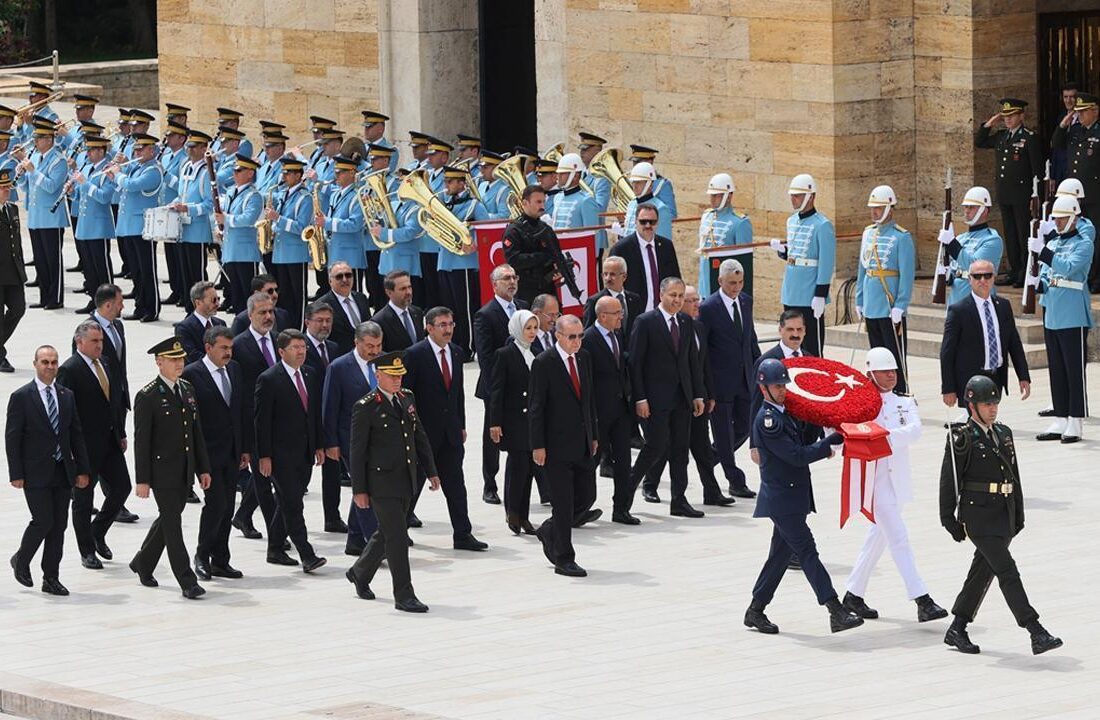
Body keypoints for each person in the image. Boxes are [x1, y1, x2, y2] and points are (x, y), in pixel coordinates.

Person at [939, 375, 1062, 655]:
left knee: (982, 572)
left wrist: (1018, 514)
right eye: (987, 404)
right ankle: (1035, 631)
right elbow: (949, 481)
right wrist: (948, 519)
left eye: (995, 402)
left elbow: (1014, 476)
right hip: (978, 517)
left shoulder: (1004, 433)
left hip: (1002, 515)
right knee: (1007, 571)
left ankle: (957, 628)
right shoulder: (962, 438)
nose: (993, 408)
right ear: (972, 406)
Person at [743, 358, 860, 635]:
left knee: (779, 557)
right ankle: (835, 609)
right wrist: (827, 443)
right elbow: (795, 456)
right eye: (776, 385)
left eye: (784, 384)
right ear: (763, 388)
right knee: (807, 551)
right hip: (783, 501)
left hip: (791, 498)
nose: (782, 389)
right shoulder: (768, 420)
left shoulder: (783, 413)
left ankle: (755, 610)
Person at [843, 347, 948, 623]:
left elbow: (914, 430)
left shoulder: (904, 402)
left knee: (878, 537)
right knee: (899, 537)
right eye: (884, 371)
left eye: (893, 371)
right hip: (874, 481)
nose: (891, 376)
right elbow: (848, 431)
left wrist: (880, 438)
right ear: (870, 373)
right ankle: (921, 598)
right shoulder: (861, 403)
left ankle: (853, 593)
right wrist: (880, 438)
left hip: (897, 480)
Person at [346, 351, 439, 613]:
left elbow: (419, 435)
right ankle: (404, 594)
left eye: (399, 376)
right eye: (391, 376)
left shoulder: (406, 398)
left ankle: (360, 572)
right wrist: (360, 490)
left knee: (387, 531)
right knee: (397, 537)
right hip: (381, 482)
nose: (397, 381)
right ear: (378, 376)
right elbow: (357, 452)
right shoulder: (366, 406)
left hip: (406, 478)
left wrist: (431, 471)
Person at [129, 338, 211, 599]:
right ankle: (187, 581)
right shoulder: (148, 395)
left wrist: (202, 469)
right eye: (173, 360)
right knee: (174, 526)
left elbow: (195, 433)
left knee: (168, 520)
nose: (179, 364)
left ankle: (143, 562)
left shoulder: (187, 388)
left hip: (184, 470)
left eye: (181, 359)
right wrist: (142, 480)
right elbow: (141, 442)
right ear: (159, 362)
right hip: (162, 472)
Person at [6, 345, 91, 595]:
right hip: (34, 472)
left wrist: (82, 469)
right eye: (45, 362)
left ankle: (51, 577)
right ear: (35, 364)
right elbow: (12, 437)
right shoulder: (21, 396)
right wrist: (16, 473)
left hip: (62, 470)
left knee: (59, 526)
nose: (50, 367)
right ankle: (22, 559)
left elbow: (76, 435)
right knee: (42, 521)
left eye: (54, 362)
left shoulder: (66, 395)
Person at [641, 285, 735, 508]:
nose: (696, 305)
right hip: (675, 398)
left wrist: (708, 394)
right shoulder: (665, 326)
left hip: (697, 399)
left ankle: (711, 491)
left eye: (696, 300)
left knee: (701, 447)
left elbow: (702, 366)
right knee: (666, 445)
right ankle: (650, 484)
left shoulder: (698, 328)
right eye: (690, 300)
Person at [402, 307, 487, 551]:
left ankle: (463, 534)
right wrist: (411, 431)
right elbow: (407, 396)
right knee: (413, 485)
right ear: (429, 328)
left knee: (456, 485)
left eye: (450, 324)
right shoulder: (415, 354)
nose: (448, 329)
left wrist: (460, 425)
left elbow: (457, 394)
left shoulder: (457, 352)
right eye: (442, 324)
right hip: (423, 434)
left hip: (450, 434)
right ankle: (399, 528)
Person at [628, 277, 706, 518]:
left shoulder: (685, 321)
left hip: (682, 398)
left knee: (681, 450)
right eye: (673, 295)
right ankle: (626, 491)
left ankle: (678, 500)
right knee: (655, 447)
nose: (677, 300)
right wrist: (640, 398)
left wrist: (697, 394)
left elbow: (692, 361)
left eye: (681, 296)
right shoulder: (646, 322)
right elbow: (635, 363)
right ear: (661, 294)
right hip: (655, 399)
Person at [530, 314, 599, 577]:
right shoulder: (544, 363)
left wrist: (593, 434)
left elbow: (589, 399)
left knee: (586, 496)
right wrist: (538, 445)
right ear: (558, 336)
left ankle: (550, 529)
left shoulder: (584, 358)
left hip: (581, 442)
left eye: (580, 336)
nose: (577, 342)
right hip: (555, 445)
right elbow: (537, 407)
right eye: (572, 337)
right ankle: (564, 558)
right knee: (562, 502)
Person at [57, 321, 130, 571]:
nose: (100, 346)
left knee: (122, 487)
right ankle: (86, 550)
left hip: (109, 441)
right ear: (80, 342)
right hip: (84, 447)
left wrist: (120, 432)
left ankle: (97, 531)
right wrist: (69, 451)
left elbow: (114, 402)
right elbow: (65, 414)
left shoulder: (106, 363)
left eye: (101, 341)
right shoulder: (70, 369)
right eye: (95, 342)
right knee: (83, 500)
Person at [254, 329, 327, 572]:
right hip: (280, 454)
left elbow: (314, 414)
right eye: (295, 348)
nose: (301, 352)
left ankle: (275, 548)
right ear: (281, 352)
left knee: (288, 501)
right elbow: (261, 422)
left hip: (304, 451)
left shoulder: (310, 373)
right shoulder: (269, 379)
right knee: (293, 503)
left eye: (303, 347)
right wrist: (264, 455)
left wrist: (318, 444)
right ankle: (307, 553)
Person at [181, 326, 248, 581]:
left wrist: (245, 449)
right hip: (208, 454)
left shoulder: (234, 369)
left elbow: (241, 410)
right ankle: (202, 555)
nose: (228, 353)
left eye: (230, 348)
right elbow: (191, 422)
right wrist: (197, 462)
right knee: (216, 505)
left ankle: (221, 559)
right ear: (208, 348)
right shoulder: (192, 375)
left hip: (232, 452)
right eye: (223, 348)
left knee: (228, 506)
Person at [1030, 194, 1093, 443]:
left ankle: (1076, 420)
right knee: (1056, 368)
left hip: (1072, 312)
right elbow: (1048, 273)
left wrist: (1043, 252)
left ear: (1074, 218)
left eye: (1062, 218)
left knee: (1073, 369)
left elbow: (1069, 268)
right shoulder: (1054, 243)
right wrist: (1039, 283)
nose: (1057, 223)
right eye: (1056, 219)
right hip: (1053, 311)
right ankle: (1061, 416)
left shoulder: (1083, 242)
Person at [699, 259, 760, 499]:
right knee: (723, 433)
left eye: (740, 282)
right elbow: (703, 349)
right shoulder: (709, 308)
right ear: (720, 281)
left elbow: (750, 338)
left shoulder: (745, 302)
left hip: (745, 379)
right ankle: (735, 479)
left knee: (745, 427)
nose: (736, 287)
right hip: (720, 383)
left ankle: (709, 458)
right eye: (731, 283)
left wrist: (759, 368)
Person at [323, 320, 383, 556]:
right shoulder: (339, 367)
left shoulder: (385, 362)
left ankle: (355, 540)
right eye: (369, 346)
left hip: (381, 437)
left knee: (365, 485)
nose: (374, 351)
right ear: (356, 342)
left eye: (378, 345)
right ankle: (374, 541)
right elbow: (330, 407)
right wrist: (331, 442)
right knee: (365, 486)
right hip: (350, 440)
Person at [940, 259, 1030, 409]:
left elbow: (1014, 344)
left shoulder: (1003, 306)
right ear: (969, 279)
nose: (983, 280)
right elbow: (947, 351)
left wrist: (1023, 376)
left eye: (987, 276)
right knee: (980, 422)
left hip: (996, 376)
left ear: (994, 278)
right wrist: (948, 388)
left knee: (989, 420)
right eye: (977, 276)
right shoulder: (959, 310)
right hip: (971, 379)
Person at [473, 264, 528, 505]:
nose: (512, 281)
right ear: (495, 285)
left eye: (514, 277)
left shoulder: (524, 307)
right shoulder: (485, 314)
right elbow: (485, 357)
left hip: (523, 384)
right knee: (493, 435)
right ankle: (490, 484)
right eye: (506, 278)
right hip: (496, 385)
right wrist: (499, 384)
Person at [975, 98, 1043, 287]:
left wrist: (1035, 196)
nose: (1008, 119)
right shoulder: (1002, 136)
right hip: (1005, 194)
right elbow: (979, 141)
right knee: (1010, 234)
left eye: (1011, 115)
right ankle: (1014, 270)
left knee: (1023, 235)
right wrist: (990, 123)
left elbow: (1037, 170)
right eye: (1005, 116)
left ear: (1021, 116)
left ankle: (1024, 271)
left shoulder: (1029, 137)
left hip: (1022, 195)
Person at [855, 184, 915, 395]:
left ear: (890, 208)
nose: (874, 212)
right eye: (872, 208)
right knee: (876, 355)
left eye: (878, 208)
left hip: (890, 307)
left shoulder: (902, 237)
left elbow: (907, 276)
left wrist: (901, 304)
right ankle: (878, 394)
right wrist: (859, 299)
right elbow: (863, 268)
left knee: (895, 358)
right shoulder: (868, 233)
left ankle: (900, 394)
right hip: (872, 304)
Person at [582, 296, 636, 524]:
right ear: (602, 316)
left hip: (620, 409)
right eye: (617, 313)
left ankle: (621, 509)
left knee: (623, 461)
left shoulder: (617, 334)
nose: (621, 316)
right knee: (590, 462)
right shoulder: (588, 339)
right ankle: (581, 507)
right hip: (599, 414)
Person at [230, 292, 279, 540]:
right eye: (262, 313)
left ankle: (243, 514)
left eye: (271, 311)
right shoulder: (238, 345)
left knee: (273, 477)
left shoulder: (281, 340)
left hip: (280, 421)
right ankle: (276, 534)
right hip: (254, 422)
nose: (268, 316)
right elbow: (236, 390)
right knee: (263, 478)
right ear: (250, 316)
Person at [772, 174, 835, 357]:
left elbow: (826, 262)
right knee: (790, 341)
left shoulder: (822, 225)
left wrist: (820, 293)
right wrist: (782, 250)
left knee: (811, 345)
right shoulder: (791, 221)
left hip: (809, 292)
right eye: (792, 195)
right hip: (791, 289)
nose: (793, 199)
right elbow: (796, 254)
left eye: (798, 195)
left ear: (811, 196)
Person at [489, 310, 540, 534]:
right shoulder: (505, 354)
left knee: (529, 468)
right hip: (513, 419)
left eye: (535, 328)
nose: (532, 333)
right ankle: (513, 512)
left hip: (532, 420)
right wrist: (495, 422)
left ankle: (524, 515)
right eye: (528, 328)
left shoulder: (536, 352)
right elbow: (497, 391)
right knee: (517, 466)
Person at [435, 165, 489, 357]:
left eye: (450, 182)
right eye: (446, 181)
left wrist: (473, 244)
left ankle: (468, 346)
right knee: (449, 307)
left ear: (461, 183)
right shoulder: (442, 203)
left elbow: (486, 232)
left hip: (465, 264)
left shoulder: (475, 206)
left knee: (465, 308)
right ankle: (455, 343)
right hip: (446, 261)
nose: (446, 185)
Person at [301, 302, 344, 533]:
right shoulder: (299, 347)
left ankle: (332, 517)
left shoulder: (334, 348)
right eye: (320, 320)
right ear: (308, 322)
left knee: (333, 471)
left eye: (328, 320)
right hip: (307, 420)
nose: (325, 325)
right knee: (299, 477)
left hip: (330, 418)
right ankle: (246, 513)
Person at [1051, 92, 1100, 292]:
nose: (1079, 115)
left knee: (1095, 236)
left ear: (1095, 111)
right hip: (1074, 198)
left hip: (1095, 194)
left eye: (1083, 111)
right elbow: (1056, 142)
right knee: (1076, 235)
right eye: (1077, 112)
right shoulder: (1075, 131)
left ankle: (1095, 277)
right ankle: (1084, 274)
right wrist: (1065, 122)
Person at [18, 118, 68, 309]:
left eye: (39, 138)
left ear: (49, 139)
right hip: (36, 217)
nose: (36, 142)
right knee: (40, 260)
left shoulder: (59, 160)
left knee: (53, 260)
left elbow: (52, 187)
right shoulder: (37, 157)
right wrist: (22, 176)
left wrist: (33, 171)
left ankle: (55, 298)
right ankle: (44, 297)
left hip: (52, 218)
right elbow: (29, 187)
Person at [936, 187, 1004, 305]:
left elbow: (975, 265)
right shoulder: (961, 238)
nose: (967, 211)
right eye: (966, 207)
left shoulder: (992, 240)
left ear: (984, 211)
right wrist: (947, 275)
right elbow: (954, 266)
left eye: (971, 207)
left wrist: (952, 244)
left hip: (979, 300)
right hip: (956, 299)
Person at [169, 129, 215, 303]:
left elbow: (209, 204)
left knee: (197, 275)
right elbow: (182, 194)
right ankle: (190, 310)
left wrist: (188, 208)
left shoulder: (206, 171)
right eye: (189, 146)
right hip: (183, 229)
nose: (189, 150)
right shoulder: (186, 167)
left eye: (194, 146)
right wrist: (174, 204)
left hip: (197, 230)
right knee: (185, 273)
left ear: (204, 148)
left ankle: (202, 310)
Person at [608, 203, 681, 312]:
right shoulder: (621, 249)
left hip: (663, 313)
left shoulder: (666, 246)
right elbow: (611, 285)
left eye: (652, 222)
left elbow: (675, 279)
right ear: (635, 222)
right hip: (634, 315)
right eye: (643, 222)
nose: (648, 225)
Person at [71, 134, 116, 310]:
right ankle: (94, 300)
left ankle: (110, 302)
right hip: (84, 225)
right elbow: (81, 195)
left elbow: (104, 197)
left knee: (101, 267)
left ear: (100, 151)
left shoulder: (108, 170)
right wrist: (71, 191)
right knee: (89, 267)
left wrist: (85, 184)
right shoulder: (88, 168)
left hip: (99, 226)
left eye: (91, 150)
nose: (88, 153)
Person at [218, 154, 264, 315]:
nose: (234, 174)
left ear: (250, 173)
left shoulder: (254, 195)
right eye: (235, 170)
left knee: (248, 295)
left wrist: (226, 218)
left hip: (245, 253)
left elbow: (248, 219)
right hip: (231, 250)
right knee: (236, 293)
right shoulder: (231, 192)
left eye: (239, 170)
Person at [503, 185, 563, 305]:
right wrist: (541, 257)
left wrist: (558, 269)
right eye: (538, 202)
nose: (542, 206)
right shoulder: (514, 230)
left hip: (547, 288)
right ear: (525, 203)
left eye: (543, 202)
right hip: (526, 291)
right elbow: (514, 260)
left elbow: (556, 254)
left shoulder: (546, 229)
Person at [696, 173, 752, 296]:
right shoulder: (707, 216)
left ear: (728, 196)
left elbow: (744, 262)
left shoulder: (740, 222)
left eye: (716, 196)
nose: (712, 199)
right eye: (711, 195)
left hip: (726, 282)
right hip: (705, 278)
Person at [319, 156, 367, 289]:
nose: (336, 175)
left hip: (350, 256)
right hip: (335, 253)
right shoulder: (335, 194)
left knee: (354, 296)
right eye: (336, 171)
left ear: (352, 173)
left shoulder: (358, 196)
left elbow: (355, 224)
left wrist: (327, 222)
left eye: (340, 172)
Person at [582, 255, 643, 340]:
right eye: (605, 274)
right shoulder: (594, 301)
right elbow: (587, 334)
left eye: (612, 274)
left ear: (624, 276)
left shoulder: (635, 299)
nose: (608, 278)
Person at [318, 261, 372, 356]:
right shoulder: (322, 305)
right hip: (340, 357)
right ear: (330, 281)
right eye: (339, 277)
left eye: (348, 275)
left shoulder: (361, 298)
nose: (344, 280)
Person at [0, 168, 25, 373]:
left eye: (8, 187)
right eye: (2, 188)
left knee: (18, 309)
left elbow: (16, 242)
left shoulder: (12, 209)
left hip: (13, 271)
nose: (7, 191)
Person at [371, 270, 424, 351]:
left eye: (409, 287)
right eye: (403, 289)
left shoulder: (417, 312)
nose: (408, 292)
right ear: (389, 292)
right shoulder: (379, 321)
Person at [176, 281, 226, 364]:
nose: (218, 304)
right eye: (213, 300)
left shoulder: (220, 323)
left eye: (218, 299)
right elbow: (192, 355)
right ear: (198, 302)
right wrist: (216, 362)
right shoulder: (184, 328)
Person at [619, 163, 672, 239]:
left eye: (638, 182)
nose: (634, 186)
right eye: (633, 182)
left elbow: (663, 240)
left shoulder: (660, 208)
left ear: (650, 185)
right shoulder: (632, 204)